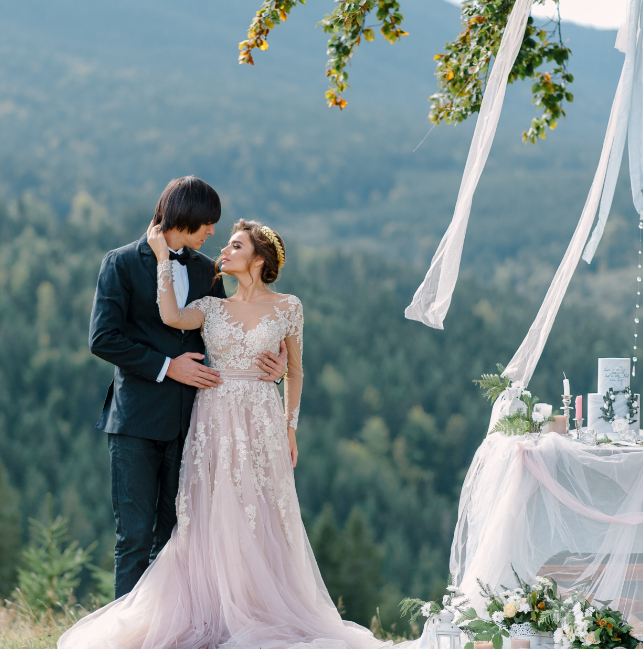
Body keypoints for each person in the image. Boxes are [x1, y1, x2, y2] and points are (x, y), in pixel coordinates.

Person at [62, 218, 399, 648]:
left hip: (260, 422)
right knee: (206, 514)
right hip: (211, 418)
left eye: (235, 245)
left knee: (256, 514)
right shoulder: (212, 306)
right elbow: (169, 315)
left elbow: (294, 370)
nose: (223, 249)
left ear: (258, 259)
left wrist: (289, 426)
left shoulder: (289, 307)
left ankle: (255, 608)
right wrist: (163, 259)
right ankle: (204, 609)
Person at [88, 176, 287, 598]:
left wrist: (275, 361)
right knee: (135, 540)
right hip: (135, 422)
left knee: (180, 540)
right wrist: (166, 366)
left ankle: (170, 634)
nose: (213, 233)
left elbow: (232, 328)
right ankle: (129, 638)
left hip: (195, 425)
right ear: (187, 217)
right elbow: (103, 339)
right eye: (207, 224)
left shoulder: (206, 270)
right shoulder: (120, 263)